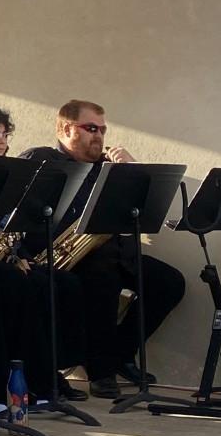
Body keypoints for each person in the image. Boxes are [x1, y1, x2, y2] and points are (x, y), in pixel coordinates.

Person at [19, 100, 186, 399]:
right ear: (65, 128)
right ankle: (100, 371)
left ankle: (119, 354)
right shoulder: (42, 159)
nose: (99, 136)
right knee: (102, 278)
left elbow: (145, 211)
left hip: (115, 253)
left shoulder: (107, 167)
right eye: (91, 128)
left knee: (169, 282)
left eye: (103, 130)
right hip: (63, 256)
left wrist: (133, 171)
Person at [0, 103, 88, 403]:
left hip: (2, 257)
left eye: (4, 133)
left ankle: (47, 372)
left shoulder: (8, 174)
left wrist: (18, 253)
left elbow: (12, 225)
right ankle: (16, 378)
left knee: (64, 284)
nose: (0, 140)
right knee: (20, 286)